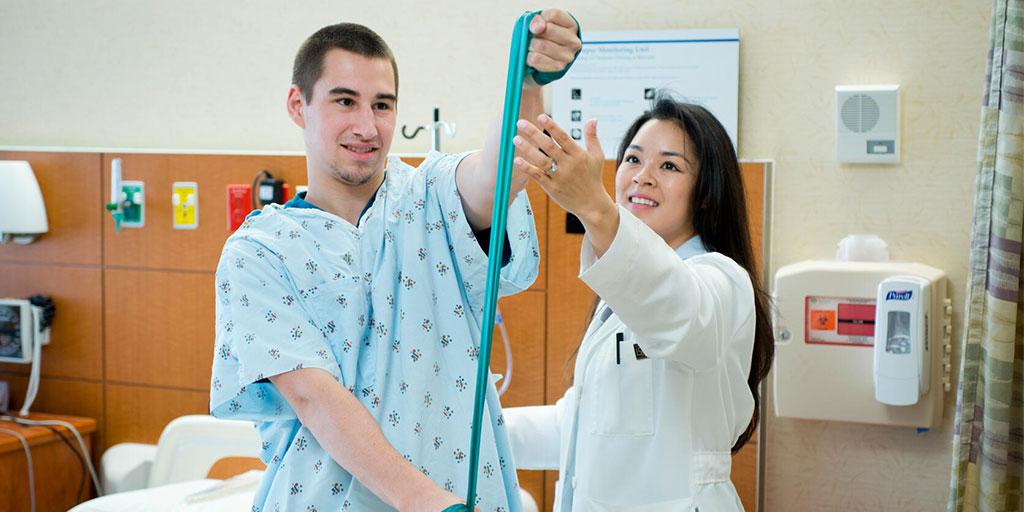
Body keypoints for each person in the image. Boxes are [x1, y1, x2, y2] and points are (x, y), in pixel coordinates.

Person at [209, 13, 581, 512]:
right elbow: (314, 396)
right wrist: (426, 501)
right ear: (298, 105)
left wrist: (529, 79)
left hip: (460, 493)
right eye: (345, 101)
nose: (367, 127)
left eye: (382, 105)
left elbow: (497, 175)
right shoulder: (260, 252)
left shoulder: (428, 197)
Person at [504, 96, 774, 511]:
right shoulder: (621, 293)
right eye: (633, 159)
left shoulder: (722, 281)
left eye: (669, 166)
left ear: (706, 193)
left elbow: (677, 313)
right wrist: (476, 428)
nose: (643, 177)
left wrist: (593, 207)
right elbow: (580, 426)